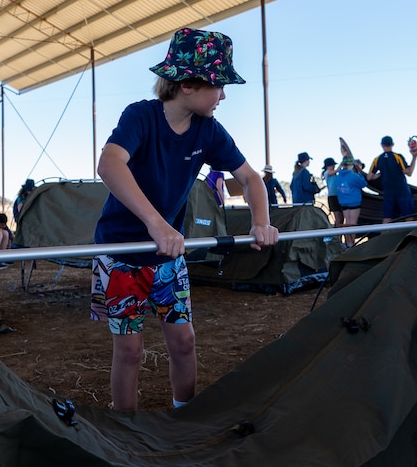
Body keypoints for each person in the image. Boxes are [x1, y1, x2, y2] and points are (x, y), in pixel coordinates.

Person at [90, 27, 279, 411]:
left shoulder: (207, 130)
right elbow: (109, 164)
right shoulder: (141, 116)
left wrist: (261, 219)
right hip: (121, 255)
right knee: (129, 350)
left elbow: (249, 177)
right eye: (219, 85)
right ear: (188, 84)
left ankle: (184, 415)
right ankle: (126, 427)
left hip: (168, 257)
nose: (224, 95)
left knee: (184, 342)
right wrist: (156, 223)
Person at [366, 136, 417, 222]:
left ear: (382, 145)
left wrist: (381, 173)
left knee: (387, 218)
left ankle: (385, 235)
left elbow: (369, 177)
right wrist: (414, 157)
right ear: (392, 144)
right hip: (402, 191)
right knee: (409, 216)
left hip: (388, 193)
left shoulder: (377, 159)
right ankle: (411, 234)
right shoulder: (397, 157)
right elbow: (409, 172)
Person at [336, 156, 368, 248]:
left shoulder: (339, 175)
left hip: (343, 202)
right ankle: (351, 244)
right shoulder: (353, 175)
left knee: (347, 223)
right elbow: (363, 183)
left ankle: (347, 243)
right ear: (351, 165)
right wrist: (359, 173)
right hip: (354, 202)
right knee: (353, 223)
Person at [322, 157, 343, 228]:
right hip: (333, 197)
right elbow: (336, 170)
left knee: (341, 218)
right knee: (338, 218)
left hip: (339, 196)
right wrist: (342, 163)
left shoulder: (335, 175)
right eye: (332, 165)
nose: (333, 166)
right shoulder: (326, 173)